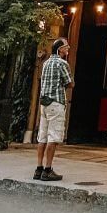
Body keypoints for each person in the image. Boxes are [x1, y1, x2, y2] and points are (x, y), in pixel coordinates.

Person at [33, 37, 73, 182]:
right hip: (56, 103)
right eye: (66, 47)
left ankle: (38, 168)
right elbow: (70, 83)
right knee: (53, 136)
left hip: (44, 103)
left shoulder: (46, 63)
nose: (68, 49)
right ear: (60, 49)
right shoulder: (62, 64)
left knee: (42, 136)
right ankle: (48, 169)